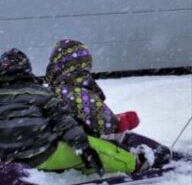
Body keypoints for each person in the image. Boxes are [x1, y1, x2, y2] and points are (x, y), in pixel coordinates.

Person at [0, 49, 141, 185]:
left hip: (12, 158)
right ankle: (135, 163)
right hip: (47, 154)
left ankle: (79, 171)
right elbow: (64, 122)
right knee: (98, 150)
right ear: (27, 71)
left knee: (77, 159)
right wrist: (83, 146)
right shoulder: (41, 94)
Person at [44, 39, 173, 168]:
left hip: (59, 143)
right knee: (124, 138)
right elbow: (105, 124)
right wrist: (124, 120)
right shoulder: (76, 93)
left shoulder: (51, 89)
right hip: (83, 145)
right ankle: (147, 160)